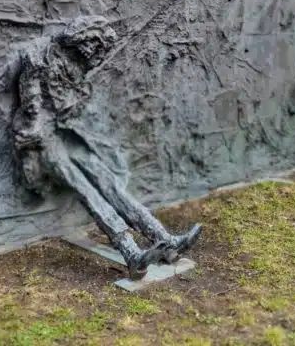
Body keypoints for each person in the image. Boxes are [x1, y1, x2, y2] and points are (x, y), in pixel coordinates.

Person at [12, 16, 201, 279]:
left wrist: (76, 100)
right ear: (79, 38)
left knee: (110, 183)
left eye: (98, 49)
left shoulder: (79, 69)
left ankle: (164, 239)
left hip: (66, 134)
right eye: (91, 44)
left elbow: (72, 109)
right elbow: (33, 111)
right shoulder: (38, 59)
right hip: (42, 142)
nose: (92, 53)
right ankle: (130, 251)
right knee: (88, 190)